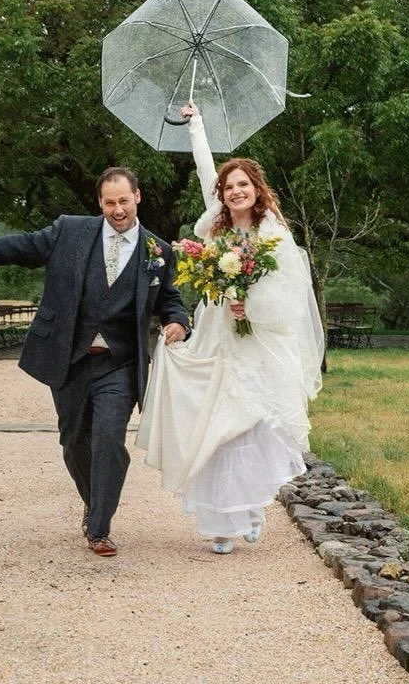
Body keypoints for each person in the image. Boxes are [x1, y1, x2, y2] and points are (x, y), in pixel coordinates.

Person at [0, 167, 190, 557]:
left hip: (119, 364)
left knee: (108, 438)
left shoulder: (159, 252)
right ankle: (91, 499)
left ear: (137, 197)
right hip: (69, 357)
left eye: (123, 201)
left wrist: (178, 320)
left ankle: (100, 526)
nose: (117, 210)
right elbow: (20, 247)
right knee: (73, 441)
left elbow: (168, 297)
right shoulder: (70, 231)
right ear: (99, 202)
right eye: (109, 202)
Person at [136, 101, 324, 553]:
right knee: (215, 426)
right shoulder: (217, 224)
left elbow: (290, 291)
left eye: (242, 185)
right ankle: (222, 523)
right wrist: (195, 124)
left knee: (251, 426)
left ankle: (251, 506)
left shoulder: (273, 232)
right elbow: (205, 171)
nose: (234, 191)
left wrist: (250, 308)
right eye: (228, 186)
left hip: (255, 340)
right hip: (217, 333)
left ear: (257, 189)